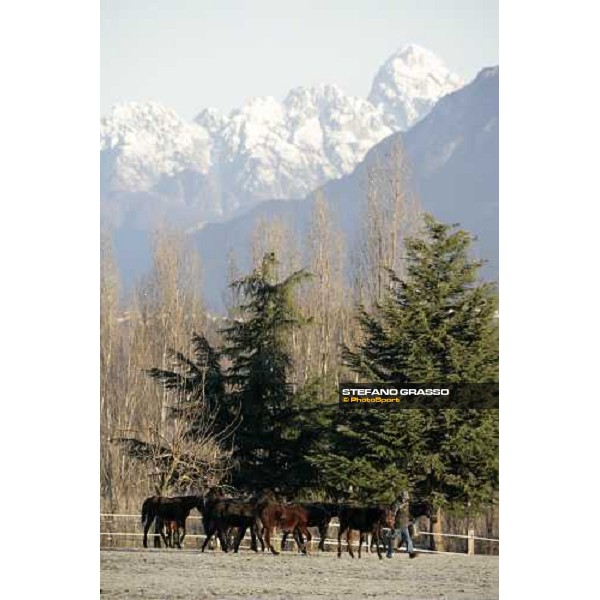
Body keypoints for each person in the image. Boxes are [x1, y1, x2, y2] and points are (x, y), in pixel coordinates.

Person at [386, 490, 417, 558]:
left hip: (405, 524)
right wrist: (392, 523)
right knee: (392, 538)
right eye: (404, 498)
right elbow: (393, 512)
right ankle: (390, 553)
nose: (405, 500)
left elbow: (407, 514)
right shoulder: (396, 503)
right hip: (397, 525)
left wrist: (411, 520)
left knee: (408, 539)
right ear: (402, 497)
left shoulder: (407, 504)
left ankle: (411, 552)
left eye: (406, 499)